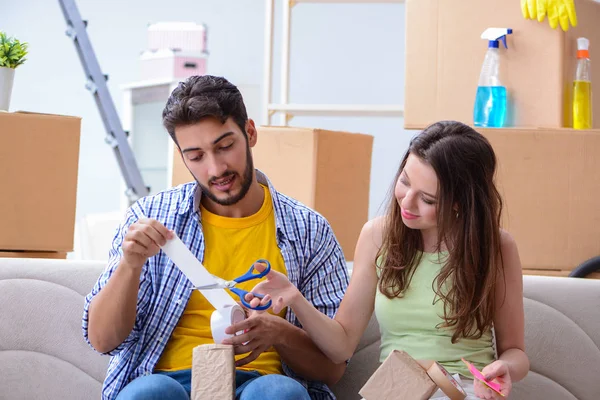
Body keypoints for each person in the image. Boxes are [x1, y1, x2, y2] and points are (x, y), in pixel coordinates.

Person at [82, 75, 349, 400]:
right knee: (150, 392)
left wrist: (280, 334)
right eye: (196, 156)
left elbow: (333, 369)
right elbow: (102, 340)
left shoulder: (309, 230)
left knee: (279, 392)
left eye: (225, 147)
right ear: (182, 156)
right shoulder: (151, 217)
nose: (215, 168)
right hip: (169, 383)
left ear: (250, 133)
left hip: (261, 384)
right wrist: (130, 265)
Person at [238, 121, 530, 399]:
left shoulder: (496, 246)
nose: (406, 201)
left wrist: (504, 369)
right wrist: (295, 298)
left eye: (427, 199)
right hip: (396, 389)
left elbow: (515, 351)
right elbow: (341, 347)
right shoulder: (378, 235)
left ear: (460, 204)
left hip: (463, 390)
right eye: (404, 182)